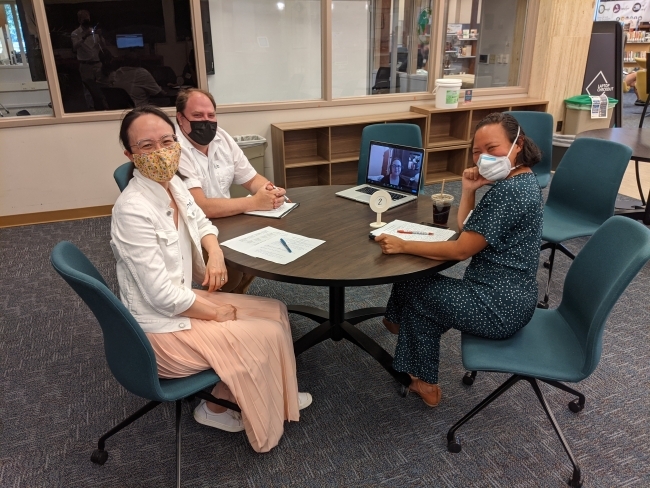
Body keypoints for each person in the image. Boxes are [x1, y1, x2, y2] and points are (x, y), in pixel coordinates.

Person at [111, 106, 312, 453]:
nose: (160, 152)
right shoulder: (132, 210)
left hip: (180, 301)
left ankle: (275, 393)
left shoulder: (172, 182)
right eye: (147, 146)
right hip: (158, 328)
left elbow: (201, 221)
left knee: (275, 310)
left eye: (166, 141)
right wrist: (213, 312)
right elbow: (162, 296)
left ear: (177, 142)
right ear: (130, 155)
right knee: (260, 333)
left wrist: (214, 251)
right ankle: (216, 408)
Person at [374, 112, 543, 407]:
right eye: (477, 153)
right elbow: (469, 228)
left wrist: (403, 245)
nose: (483, 159)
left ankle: (411, 352)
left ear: (519, 144)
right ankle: (409, 349)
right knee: (420, 294)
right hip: (512, 295)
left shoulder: (509, 193)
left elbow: (462, 249)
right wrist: (468, 191)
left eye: (492, 149)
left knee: (414, 288)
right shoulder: (523, 180)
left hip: (499, 307)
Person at [175, 88, 288, 293]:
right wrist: (255, 202)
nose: (206, 121)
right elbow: (201, 207)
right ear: (180, 118)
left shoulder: (222, 137)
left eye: (211, 115)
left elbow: (252, 178)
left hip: (227, 217)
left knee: (265, 244)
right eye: (197, 116)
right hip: (193, 228)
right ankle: (227, 301)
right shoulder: (174, 149)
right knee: (232, 273)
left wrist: (270, 191)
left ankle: (235, 298)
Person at [71, 10, 106, 109]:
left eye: (88, 18)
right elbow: (75, 47)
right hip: (85, 64)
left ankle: (103, 107)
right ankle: (91, 109)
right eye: (84, 19)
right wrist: (84, 37)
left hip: (97, 63)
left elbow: (103, 46)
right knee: (88, 88)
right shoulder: (75, 33)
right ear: (79, 20)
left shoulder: (94, 31)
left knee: (102, 85)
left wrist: (100, 35)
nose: (86, 20)